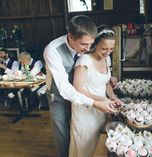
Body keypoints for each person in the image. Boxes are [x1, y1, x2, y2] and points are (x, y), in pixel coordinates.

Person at [43, 15, 117, 157]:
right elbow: (65, 89)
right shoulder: (52, 50)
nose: (88, 48)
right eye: (84, 45)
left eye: (91, 44)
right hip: (59, 95)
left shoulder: (87, 44)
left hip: (81, 95)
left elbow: (93, 65)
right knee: (63, 135)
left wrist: (106, 77)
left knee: (78, 131)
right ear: (70, 37)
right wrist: (96, 102)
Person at [69, 26, 122, 157]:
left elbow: (105, 83)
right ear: (95, 44)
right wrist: (102, 99)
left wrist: (113, 97)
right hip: (84, 109)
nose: (107, 52)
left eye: (111, 49)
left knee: (99, 142)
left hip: (100, 107)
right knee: (85, 143)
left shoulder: (106, 59)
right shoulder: (84, 61)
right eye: (104, 48)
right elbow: (78, 89)